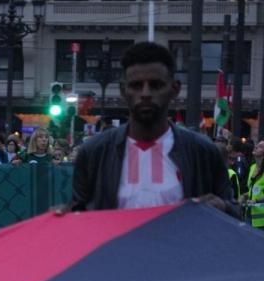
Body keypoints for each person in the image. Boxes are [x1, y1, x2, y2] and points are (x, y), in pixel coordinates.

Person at [68, 41, 236, 215]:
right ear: (123, 90)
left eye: (155, 85)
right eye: (136, 85)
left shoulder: (203, 152)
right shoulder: (94, 152)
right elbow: (78, 217)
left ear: (174, 89)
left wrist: (222, 207)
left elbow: (233, 216)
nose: (146, 94)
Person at [242, 139, 264, 228]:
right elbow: (252, 190)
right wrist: (244, 196)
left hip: (262, 219)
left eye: (260, 146)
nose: (255, 147)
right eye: (257, 145)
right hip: (249, 214)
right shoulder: (252, 167)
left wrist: (256, 201)